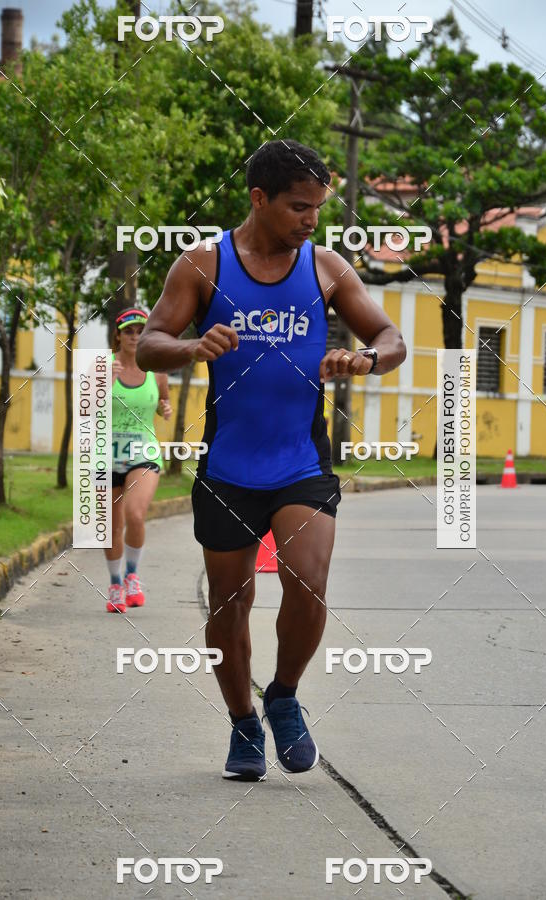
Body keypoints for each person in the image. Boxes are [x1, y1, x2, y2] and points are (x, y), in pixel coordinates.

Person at [136, 140, 406, 778]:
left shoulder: (327, 268)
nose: (312, 220)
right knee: (229, 603)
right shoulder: (202, 266)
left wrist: (364, 359)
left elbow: (390, 338)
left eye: (318, 207)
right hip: (229, 467)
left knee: (309, 581)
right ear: (259, 199)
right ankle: (241, 725)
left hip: (300, 463)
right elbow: (149, 345)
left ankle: (282, 696)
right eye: (298, 207)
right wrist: (195, 346)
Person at [105, 307, 172, 613]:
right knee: (111, 525)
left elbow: (162, 402)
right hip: (106, 454)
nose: (134, 337)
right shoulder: (103, 367)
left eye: (140, 331)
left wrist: (165, 409)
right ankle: (116, 583)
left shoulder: (156, 371)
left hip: (143, 452)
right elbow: (85, 412)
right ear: (118, 335)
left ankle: (133, 576)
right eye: (129, 331)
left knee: (134, 514)